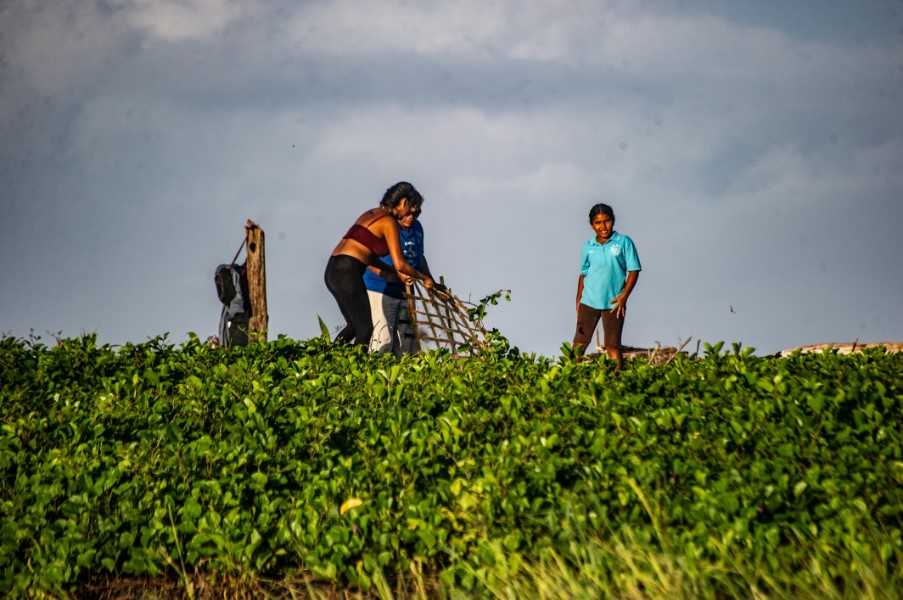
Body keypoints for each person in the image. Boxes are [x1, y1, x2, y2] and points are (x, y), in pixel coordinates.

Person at [325, 182, 434, 345]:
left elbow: (366, 256)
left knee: (354, 326)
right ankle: (355, 368)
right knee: (366, 329)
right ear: (403, 203)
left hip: (334, 270)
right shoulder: (388, 222)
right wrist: (424, 278)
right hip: (348, 272)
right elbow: (401, 264)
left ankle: (328, 360)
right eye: (411, 209)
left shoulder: (371, 214)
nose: (410, 215)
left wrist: (389, 270)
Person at [573, 203, 641, 368]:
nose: (603, 226)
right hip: (588, 301)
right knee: (579, 344)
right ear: (592, 225)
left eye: (607, 221)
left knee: (612, 345)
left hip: (614, 303)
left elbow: (634, 270)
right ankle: (572, 378)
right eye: (598, 222)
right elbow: (583, 274)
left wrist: (624, 296)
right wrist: (578, 302)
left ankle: (617, 381)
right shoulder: (588, 247)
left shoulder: (624, 242)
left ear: (613, 221)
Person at [364, 203, 433, 354]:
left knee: (409, 342)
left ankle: (403, 375)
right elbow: (367, 258)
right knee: (383, 339)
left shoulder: (417, 228)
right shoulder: (386, 226)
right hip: (380, 289)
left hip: (405, 292)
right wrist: (386, 274)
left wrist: (429, 278)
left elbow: (419, 257)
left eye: (415, 214)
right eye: (407, 214)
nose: (411, 218)